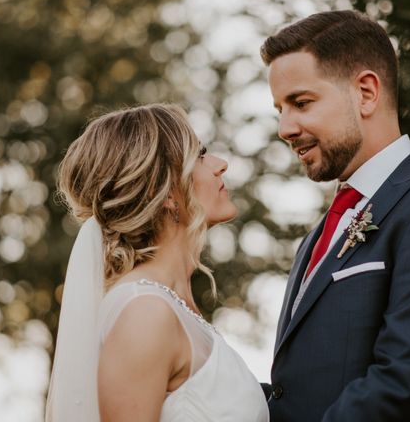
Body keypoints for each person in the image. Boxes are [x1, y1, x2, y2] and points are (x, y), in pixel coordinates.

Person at [259, 10, 410, 421]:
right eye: (280, 108)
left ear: (366, 92)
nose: (285, 127)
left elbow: (409, 381)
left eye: (301, 102)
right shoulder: (317, 237)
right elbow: (295, 391)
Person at [45, 104, 269, 421]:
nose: (220, 164)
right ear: (163, 192)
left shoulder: (172, 306)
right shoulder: (144, 311)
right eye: (200, 156)